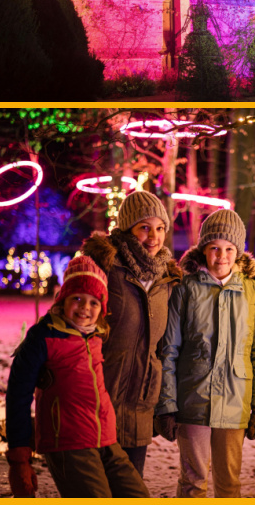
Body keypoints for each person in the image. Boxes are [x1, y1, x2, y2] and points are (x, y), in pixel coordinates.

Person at [4, 254, 149, 498]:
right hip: (69, 442)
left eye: (94, 302)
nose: (85, 308)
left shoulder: (96, 336)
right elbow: (17, 394)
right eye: (78, 298)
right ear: (63, 300)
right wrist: (20, 458)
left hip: (105, 438)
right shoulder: (44, 337)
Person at [155, 208, 255, 498]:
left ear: (239, 252)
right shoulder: (186, 289)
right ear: (203, 250)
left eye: (230, 249)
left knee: (229, 483)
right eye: (214, 248)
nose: (222, 256)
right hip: (193, 400)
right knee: (193, 481)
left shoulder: (252, 292)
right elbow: (169, 349)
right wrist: (167, 404)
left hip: (235, 402)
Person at [80, 189, 182, 476]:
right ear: (126, 229)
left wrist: (167, 403)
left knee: (130, 486)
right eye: (144, 228)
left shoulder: (167, 279)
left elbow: (167, 346)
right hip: (102, 399)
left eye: (160, 228)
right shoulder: (104, 268)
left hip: (140, 404)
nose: (154, 237)